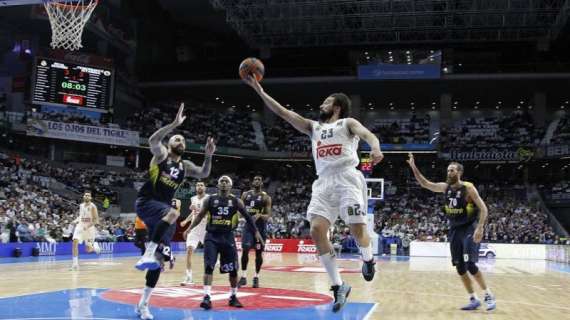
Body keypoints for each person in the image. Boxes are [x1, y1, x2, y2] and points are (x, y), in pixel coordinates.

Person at [243, 75, 383, 312]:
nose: (321, 105)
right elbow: (283, 112)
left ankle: (368, 259)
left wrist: (376, 147)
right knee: (317, 230)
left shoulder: (347, 123)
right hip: (323, 182)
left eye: (326, 102)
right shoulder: (313, 127)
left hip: (347, 178)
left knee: (358, 230)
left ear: (337, 106)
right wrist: (259, 89)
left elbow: (367, 134)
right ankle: (339, 286)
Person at [134, 103, 215, 320]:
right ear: (169, 143)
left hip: (161, 215)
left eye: (183, 140)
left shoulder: (185, 166)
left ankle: (143, 304)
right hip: (147, 202)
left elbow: (204, 173)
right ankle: (148, 251)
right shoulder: (161, 155)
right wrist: (173, 124)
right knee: (174, 212)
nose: (180, 141)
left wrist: (208, 155)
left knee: (159, 262)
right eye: (176, 138)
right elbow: (152, 140)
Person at [407, 153, 496, 311]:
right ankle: (473, 299)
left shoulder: (468, 188)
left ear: (459, 173)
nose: (449, 173)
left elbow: (483, 208)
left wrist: (480, 227)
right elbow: (425, 183)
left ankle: (488, 295)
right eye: (448, 170)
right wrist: (414, 167)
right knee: (460, 268)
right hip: (454, 230)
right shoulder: (445, 187)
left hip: (469, 228)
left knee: (470, 265)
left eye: (452, 170)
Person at [184, 175, 264, 310]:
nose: (224, 183)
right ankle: (207, 297)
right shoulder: (210, 199)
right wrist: (189, 228)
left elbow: (248, 218)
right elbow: (199, 216)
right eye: (221, 181)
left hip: (228, 237)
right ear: (218, 185)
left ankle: (233, 296)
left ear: (230, 186)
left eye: (227, 181)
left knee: (232, 270)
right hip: (211, 237)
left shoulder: (236, 201)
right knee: (209, 266)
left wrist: (256, 232)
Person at [238, 175, 272, 288]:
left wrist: (260, 215)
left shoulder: (266, 198)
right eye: (255, 179)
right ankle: (243, 277)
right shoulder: (245, 194)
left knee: (258, 254)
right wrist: (238, 217)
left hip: (260, 229)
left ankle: (256, 277)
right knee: (245, 249)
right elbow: (240, 209)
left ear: (262, 183)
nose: (256, 181)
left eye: (259, 180)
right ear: (252, 182)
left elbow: (268, 216)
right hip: (248, 228)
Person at [180, 181, 209, 285]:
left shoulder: (209, 198)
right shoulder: (193, 198)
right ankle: (189, 277)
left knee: (210, 254)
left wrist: (196, 208)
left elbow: (206, 213)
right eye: (197, 185)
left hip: (206, 229)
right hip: (194, 230)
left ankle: (218, 263)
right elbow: (193, 213)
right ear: (195, 188)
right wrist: (186, 221)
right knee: (189, 251)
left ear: (205, 187)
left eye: (201, 185)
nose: (199, 186)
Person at [70, 191, 100, 271]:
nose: (86, 196)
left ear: (90, 198)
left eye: (88, 195)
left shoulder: (93, 206)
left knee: (88, 249)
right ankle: (75, 264)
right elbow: (81, 216)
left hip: (89, 228)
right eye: (85, 195)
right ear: (83, 197)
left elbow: (96, 220)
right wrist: (75, 220)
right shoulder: (81, 205)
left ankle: (94, 247)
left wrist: (88, 226)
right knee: (74, 242)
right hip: (80, 226)